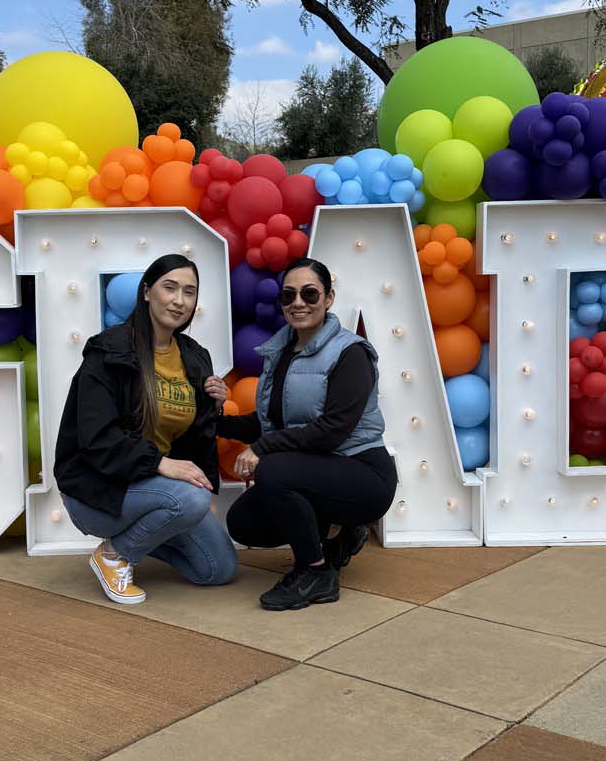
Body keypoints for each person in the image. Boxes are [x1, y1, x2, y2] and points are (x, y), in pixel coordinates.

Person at [54, 253, 238, 605]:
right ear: (146, 292)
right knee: (193, 497)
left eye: (189, 291)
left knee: (218, 569)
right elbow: (96, 437)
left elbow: (189, 434)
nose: (179, 300)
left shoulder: (194, 355)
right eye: (169, 288)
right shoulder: (109, 351)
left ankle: (136, 537)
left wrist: (211, 406)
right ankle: (113, 554)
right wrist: (160, 464)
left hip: (153, 491)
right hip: (98, 489)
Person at [218, 258, 397, 611]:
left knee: (272, 471)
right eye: (289, 295)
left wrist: (262, 448)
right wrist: (214, 423)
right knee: (243, 524)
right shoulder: (281, 351)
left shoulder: (350, 353)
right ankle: (335, 537)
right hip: (320, 468)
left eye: (309, 293)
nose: (298, 302)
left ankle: (315, 573)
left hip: (363, 472)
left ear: (329, 298)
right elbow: (272, 421)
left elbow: (332, 431)